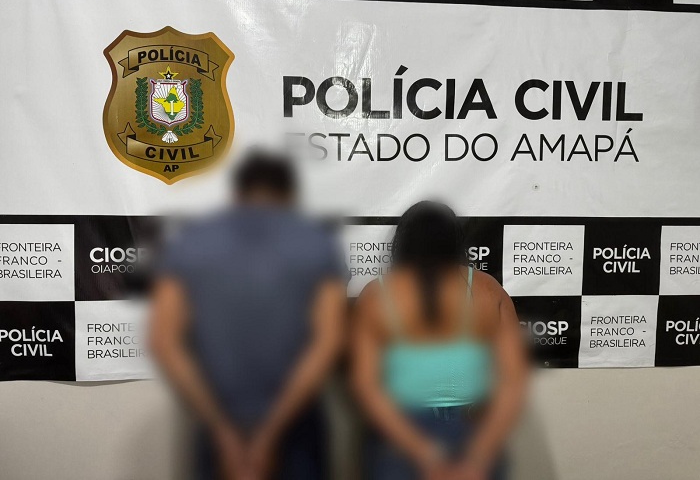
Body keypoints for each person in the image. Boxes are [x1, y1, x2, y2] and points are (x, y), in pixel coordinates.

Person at [150, 150, 348, 480]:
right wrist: (271, 431)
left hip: (217, 420)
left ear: (237, 194)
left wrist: (222, 431)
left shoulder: (191, 242)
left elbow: (164, 341)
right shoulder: (316, 244)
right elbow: (329, 341)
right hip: (295, 423)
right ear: (289, 196)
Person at [351, 201, 528, 480]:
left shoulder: (376, 295)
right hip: (472, 431)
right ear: (456, 241)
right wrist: (478, 457)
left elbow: (366, 387)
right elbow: (513, 382)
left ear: (402, 241)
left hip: (399, 435)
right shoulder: (489, 290)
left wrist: (426, 454)